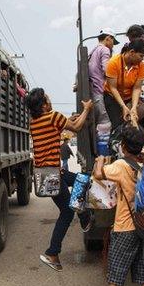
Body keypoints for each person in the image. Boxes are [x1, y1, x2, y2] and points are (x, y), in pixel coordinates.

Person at [93, 125, 144, 286]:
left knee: (116, 272)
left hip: (125, 226)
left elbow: (98, 175)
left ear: (124, 146)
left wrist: (100, 158)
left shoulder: (121, 165)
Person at [26, 88, 93, 271]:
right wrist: (87, 109)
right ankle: (52, 252)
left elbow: (61, 125)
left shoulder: (34, 122)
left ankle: (84, 215)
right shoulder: (53, 117)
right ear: (44, 105)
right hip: (52, 175)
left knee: (83, 179)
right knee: (66, 212)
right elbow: (77, 128)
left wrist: (70, 119)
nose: (50, 100)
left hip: (46, 174)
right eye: (47, 98)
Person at [103, 39, 144, 129]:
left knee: (143, 119)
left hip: (129, 97)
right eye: (141, 56)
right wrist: (123, 106)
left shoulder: (141, 66)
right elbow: (113, 88)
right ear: (132, 52)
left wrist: (134, 107)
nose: (142, 59)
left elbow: (137, 88)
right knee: (118, 125)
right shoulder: (113, 63)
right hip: (112, 97)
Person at [87, 27, 118, 125]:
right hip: (100, 91)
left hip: (93, 91)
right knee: (105, 123)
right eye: (113, 41)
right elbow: (107, 69)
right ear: (108, 38)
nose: (113, 45)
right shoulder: (105, 50)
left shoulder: (93, 51)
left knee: (100, 123)